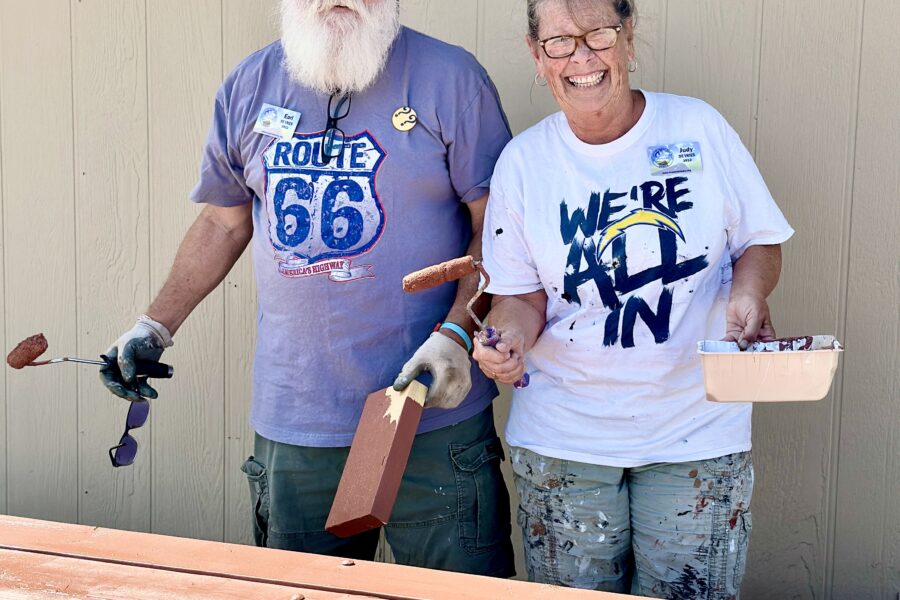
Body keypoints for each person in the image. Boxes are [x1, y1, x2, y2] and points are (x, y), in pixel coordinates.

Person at [100, 0, 515, 577]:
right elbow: (224, 220)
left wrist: (457, 332)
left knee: (452, 593)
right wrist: (154, 325)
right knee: (303, 589)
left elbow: (495, 226)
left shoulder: (450, 78)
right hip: (300, 416)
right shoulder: (250, 85)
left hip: (428, 409)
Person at [472, 0, 793, 596]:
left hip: (696, 431)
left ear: (628, 36)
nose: (582, 57)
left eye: (598, 34)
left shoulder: (696, 128)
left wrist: (748, 290)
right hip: (564, 441)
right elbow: (519, 299)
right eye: (561, 42)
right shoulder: (524, 163)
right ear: (537, 56)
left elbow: (760, 241)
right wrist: (507, 339)